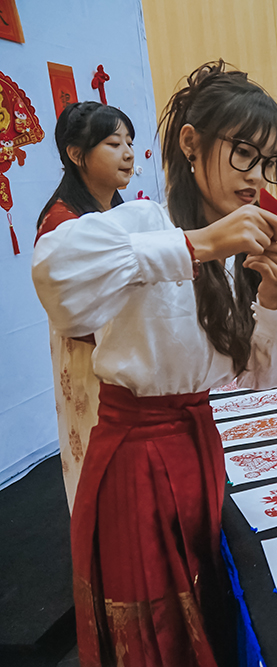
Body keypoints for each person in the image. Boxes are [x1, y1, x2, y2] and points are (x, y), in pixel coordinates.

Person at [33, 60, 277, 666]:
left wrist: (273, 299)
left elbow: (269, 372)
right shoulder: (146, 222)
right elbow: (55, 274)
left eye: (271, 163)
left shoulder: (236, 254)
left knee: (204, 607)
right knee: (157, 632)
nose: (258, 177)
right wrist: (199, 244)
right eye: (245, 154)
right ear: (191, 143)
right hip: (136, 461)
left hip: (197, 445)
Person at [34, 101, 134, 512]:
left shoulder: (120, 210)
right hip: (92, 355)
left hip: (126, 347)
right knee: (101, 458)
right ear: (77, 154)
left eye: (129, 142)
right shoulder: (62, 222)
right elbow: (79, 310)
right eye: (114, 143)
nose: (128, 153)